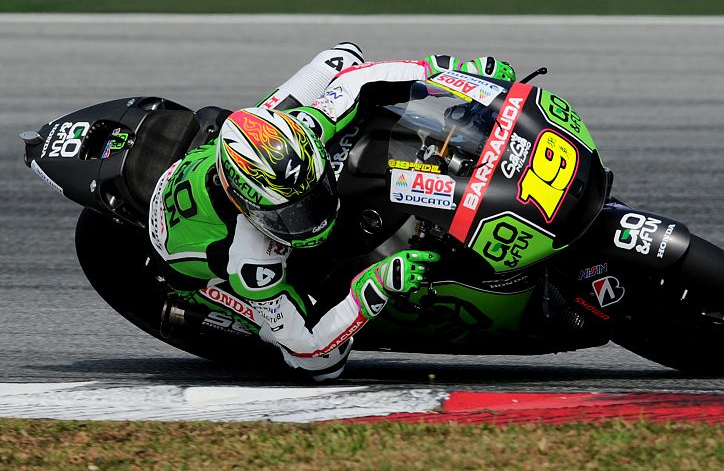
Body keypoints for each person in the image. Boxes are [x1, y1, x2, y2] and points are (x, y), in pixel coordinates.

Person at [148, 43, 516, 380]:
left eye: (315, 194)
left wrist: (453, 75)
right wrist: (376, 285)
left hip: (233, 150)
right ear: (249, 208)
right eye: (293, 213)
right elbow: (310, 352)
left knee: (340, 58)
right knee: (323, 362)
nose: (316, 216)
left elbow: (359, 77)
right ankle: (203, 309)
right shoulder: (249, 262)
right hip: (188, 259)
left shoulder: (303, 126)